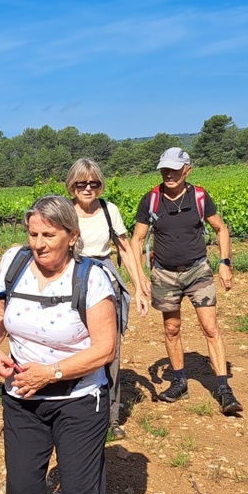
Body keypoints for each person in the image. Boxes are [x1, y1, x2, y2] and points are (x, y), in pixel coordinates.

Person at [0, 195, 122, 494]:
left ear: (72, 236)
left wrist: (53, 372)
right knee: (22, 491)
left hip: (79, 400)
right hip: (23, 399)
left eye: (49, 234)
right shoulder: (14, 263)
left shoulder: (92, 277)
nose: (38, 243)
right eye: (33, 233)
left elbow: (106, 349)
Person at [128, 147, 243, 414]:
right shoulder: (151, 199)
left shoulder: (199, 196)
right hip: (165, 273)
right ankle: (180, 382)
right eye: (164, 170)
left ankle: (224, 389)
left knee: (210, 328)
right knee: (172, 328)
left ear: (187, 170)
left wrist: (225, 263)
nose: (168, 174)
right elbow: (137, 239)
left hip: (197, 271)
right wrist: (140, 277)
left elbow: (221, 229)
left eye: (174, 170)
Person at [65, 158, 148, 440]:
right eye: (81, 183)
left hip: (104, 280)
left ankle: (110, 418)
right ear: (72, 185)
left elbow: (124, 248)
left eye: (93, 183)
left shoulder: (109, 210)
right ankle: (74, 410)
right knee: (73, 346)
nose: (88, 188)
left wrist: (138, 288)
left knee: (109, 350)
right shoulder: (64, 211)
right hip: (72, 279)